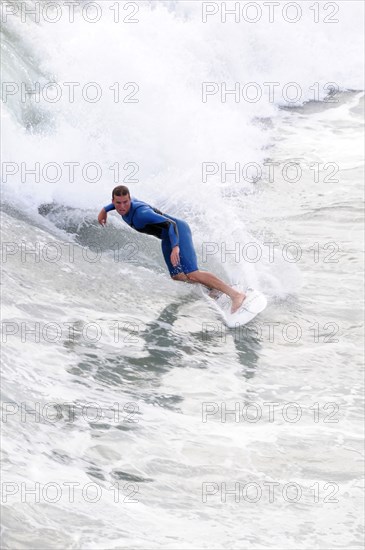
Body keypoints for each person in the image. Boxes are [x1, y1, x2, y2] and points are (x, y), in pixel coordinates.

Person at [98, 185, 246, 313]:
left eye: (125, 202)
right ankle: (213, 288)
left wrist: (175, 247)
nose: (122, 207)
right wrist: (104, 210)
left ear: (130, 200)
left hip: (177, 231)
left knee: (192, 273)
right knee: (177, 276)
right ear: (113, 201)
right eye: (118, 203)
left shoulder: (142, 214)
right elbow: (116, 205)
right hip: (167, 237)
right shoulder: (120, 206)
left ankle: (235, 295)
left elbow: (171, 224)